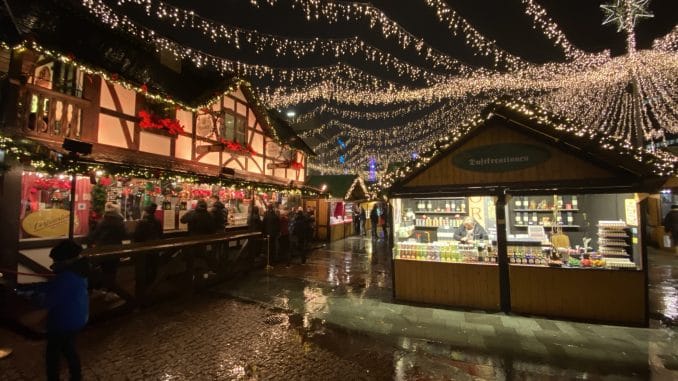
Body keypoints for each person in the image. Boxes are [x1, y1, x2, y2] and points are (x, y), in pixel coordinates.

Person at [19, 240, 89, 381]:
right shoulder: (78, 272)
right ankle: (76, 376)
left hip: (64, 322)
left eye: (56, 260)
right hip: (77, 318)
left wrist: (22, 322)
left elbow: (47, 305)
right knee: (68, 348)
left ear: (66, 260)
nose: (54, 263)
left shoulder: (67, 278)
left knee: (53, 356)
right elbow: (52, 288)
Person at [88, 202, 126, 299]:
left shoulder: (102, 222)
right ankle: (110, 292)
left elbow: (94, 235)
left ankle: (98, 290)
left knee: (101, 270)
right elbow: (124, 235)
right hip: (115, 249)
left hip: (102, 249)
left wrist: (92, 243)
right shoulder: (120, 222)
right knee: (112, 271)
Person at [132, 203, 163, 285]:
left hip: (143, 250)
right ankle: (152, 287)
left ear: (146, 212)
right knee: (153, 268)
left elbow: (136, 236)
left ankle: (142, 288)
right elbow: (160, 235)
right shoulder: (158, 222)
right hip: (154, 249)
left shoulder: (142, 223)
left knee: (143, 268)